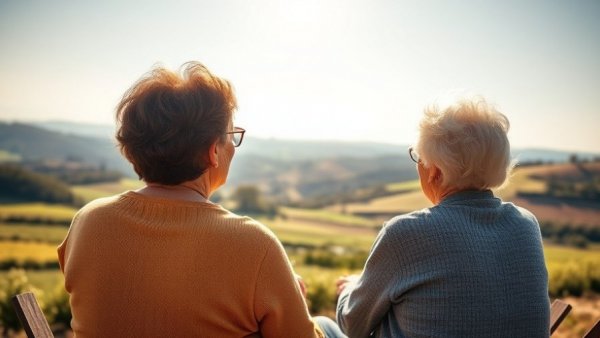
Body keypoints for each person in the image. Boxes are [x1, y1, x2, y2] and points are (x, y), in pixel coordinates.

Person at [57, 61, 326, 337]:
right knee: (327, 325)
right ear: (213, 151)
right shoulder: (255, 245)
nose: (233, 147)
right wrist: (297, 301)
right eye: (231, 136)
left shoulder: (88, 220)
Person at [335, 94, 550, 337]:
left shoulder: (405, 234)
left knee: (324, 326)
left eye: (419, 158)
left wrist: (349, 289)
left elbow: (353, 324)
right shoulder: (526, 225)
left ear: (435, 171)